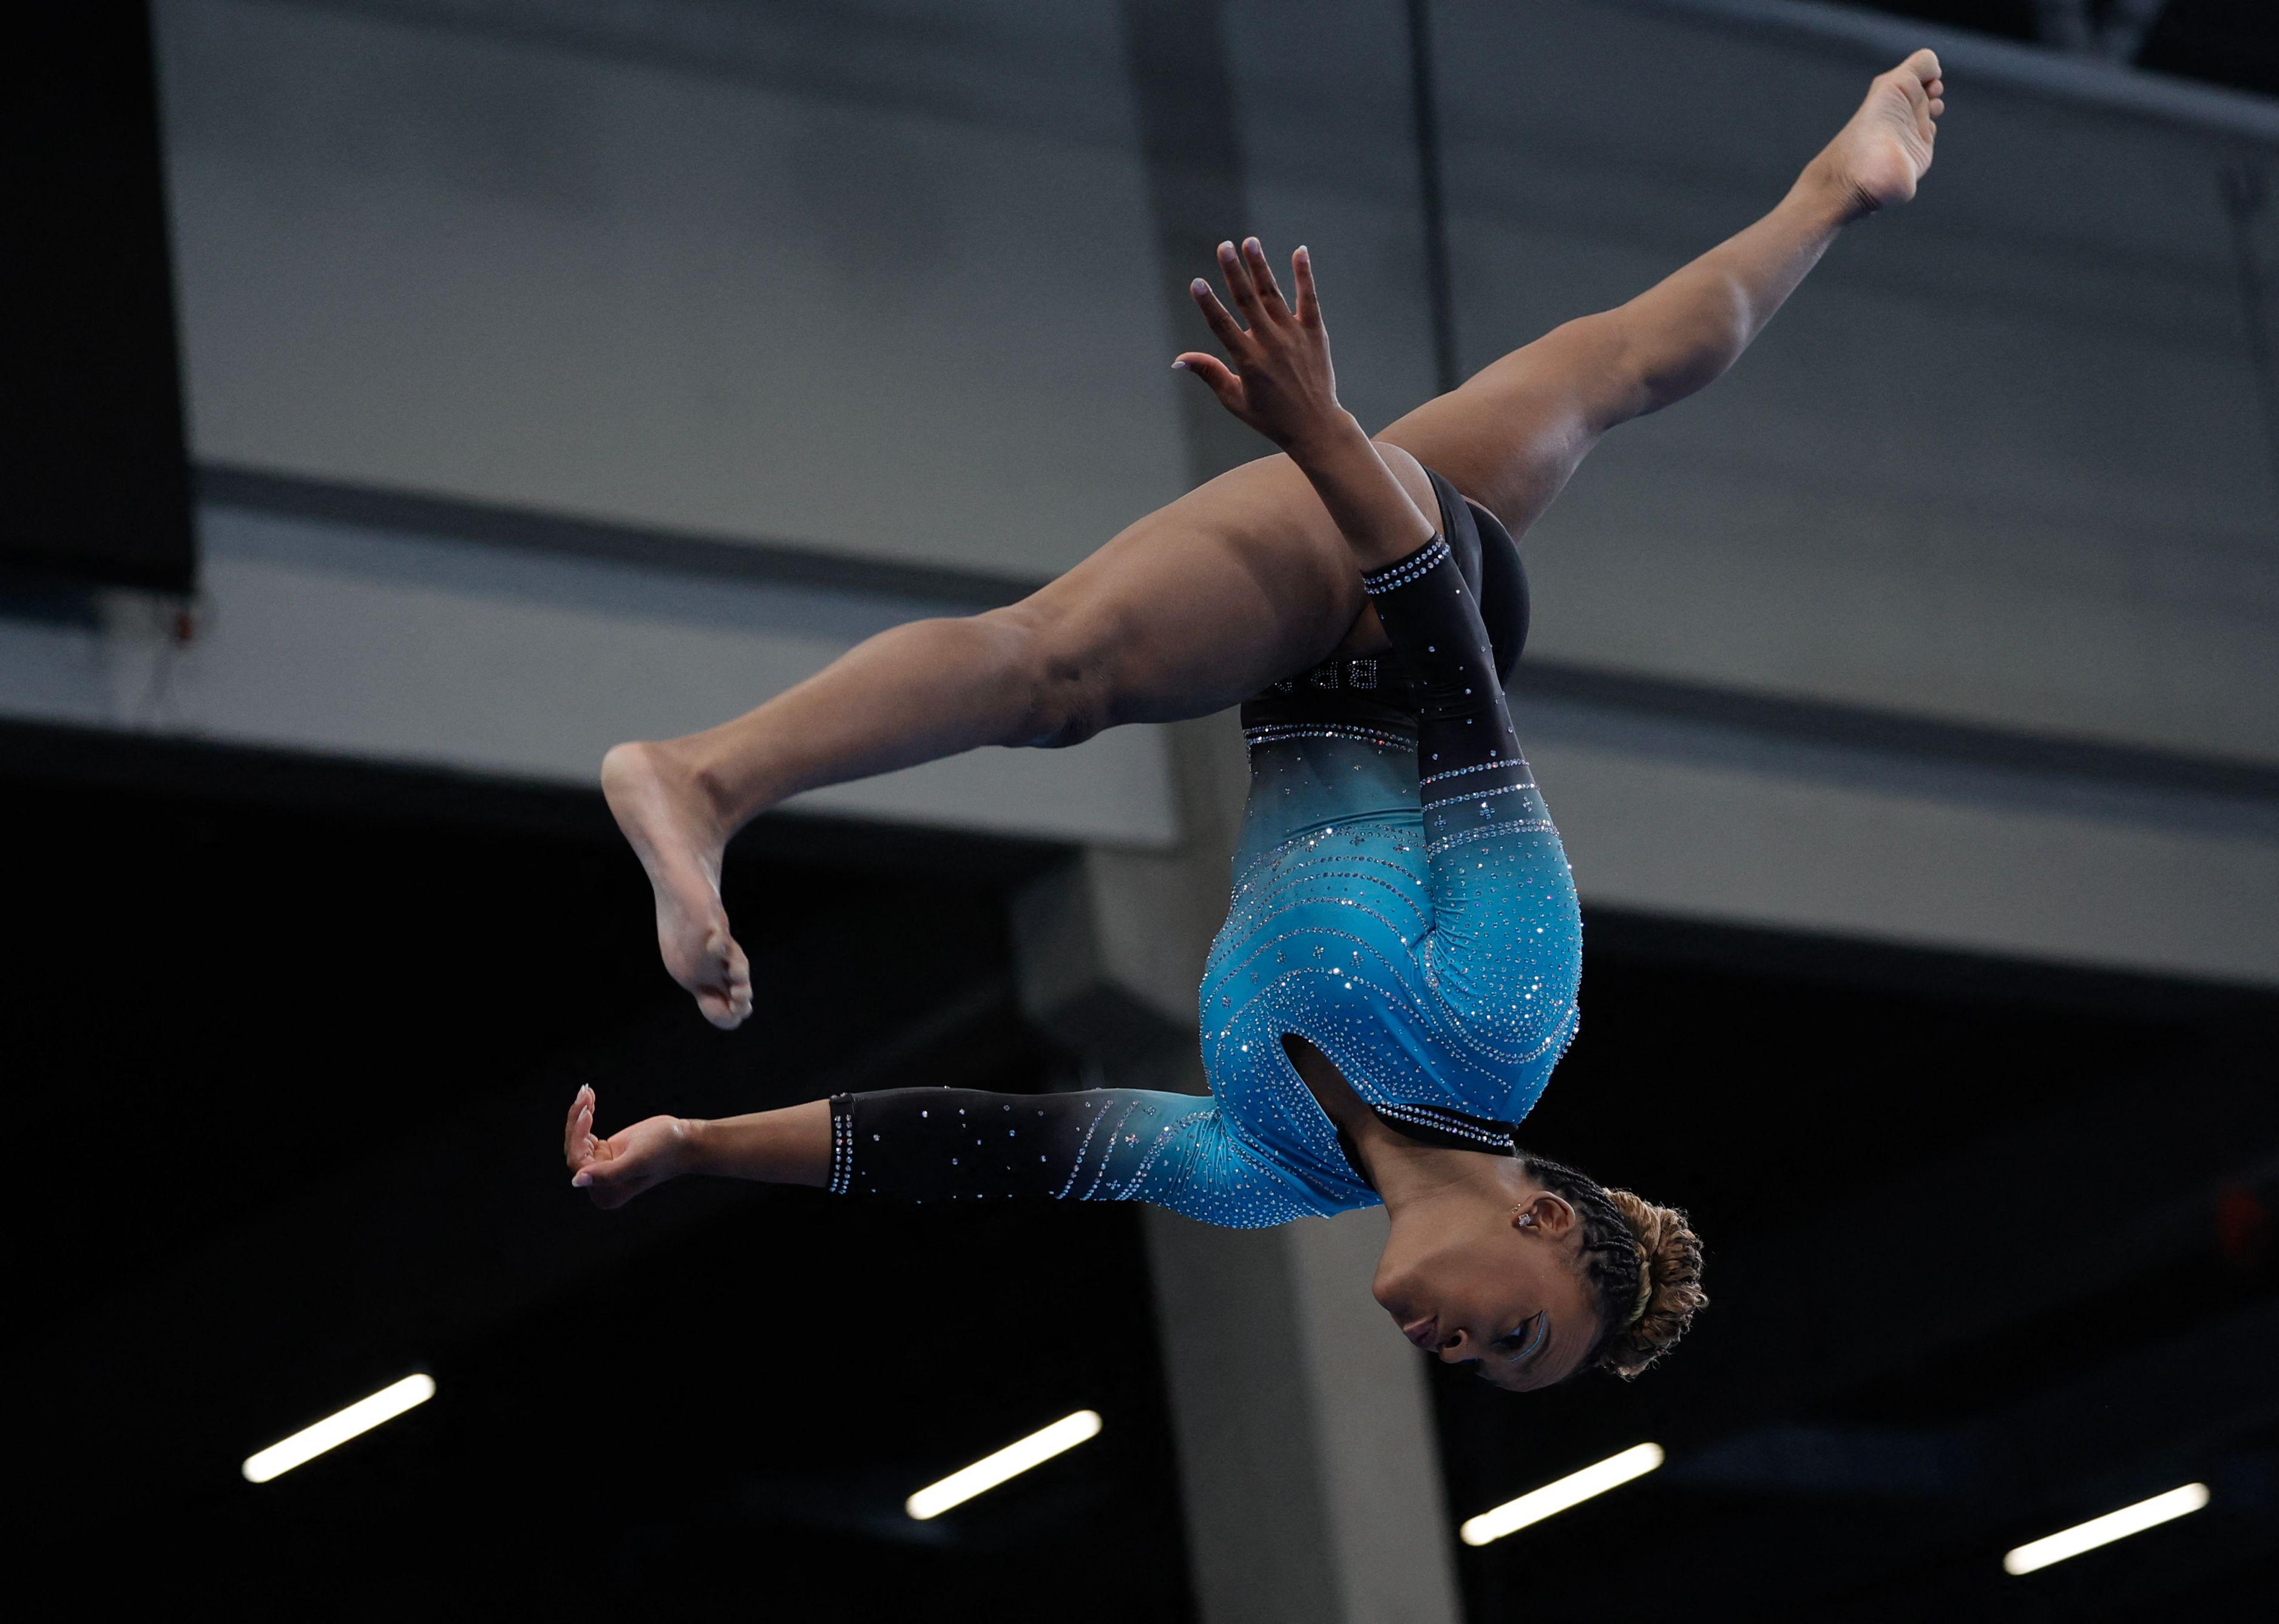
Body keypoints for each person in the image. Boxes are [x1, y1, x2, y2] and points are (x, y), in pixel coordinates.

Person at [567, 52, 1946, 1387]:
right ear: (1541, 1221)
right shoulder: (1506, 1020)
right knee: (1059, 676)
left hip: (1331, 626)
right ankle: (703, 780)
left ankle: (1840, 188)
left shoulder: (1267, 1168)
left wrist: (697, 1144)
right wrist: (1325, 437)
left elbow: (992, 1143)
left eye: (1483, 1369)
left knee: (1621, 370)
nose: (1459, 1354)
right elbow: (1461, 700)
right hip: (1402, 600)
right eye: (1513, 1334)